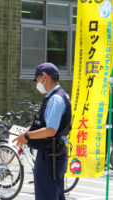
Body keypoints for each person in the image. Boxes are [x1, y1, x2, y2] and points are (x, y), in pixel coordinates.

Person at [13, 62, 71, 200]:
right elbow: (48, 124)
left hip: (50, 156)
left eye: (38, 80)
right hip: (54, 154)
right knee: (55, 194)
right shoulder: (58, 96)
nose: (37, 84)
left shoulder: (55, 98)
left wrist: (27, 135)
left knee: (46, 195)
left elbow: (51, 130)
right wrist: (29, 129)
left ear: (45, 77)